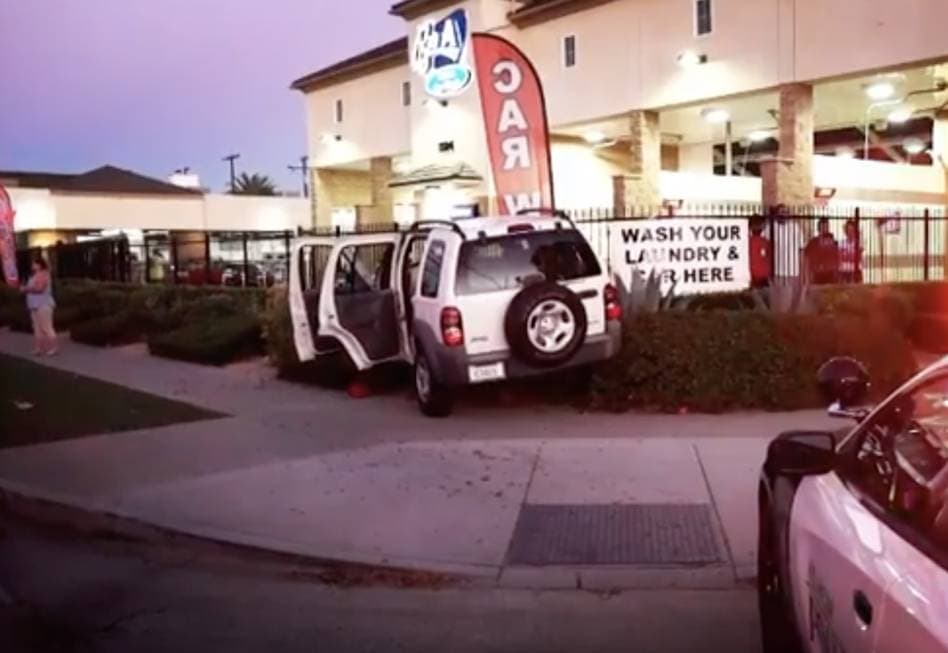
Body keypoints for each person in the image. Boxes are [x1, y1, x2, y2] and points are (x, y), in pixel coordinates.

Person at [21, 257, 57, 355]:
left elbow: (40, 289)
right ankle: (38, 349)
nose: (32, 266)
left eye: (34, 264)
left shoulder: (44, 274)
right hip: (34, 306)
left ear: (39, 265)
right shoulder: (34, 275)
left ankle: (53, 348)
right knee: (37, 328)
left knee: (46, 327)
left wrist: (26, 289)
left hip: (43, 305)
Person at [804, 218, 840, 284]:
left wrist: (836, 272)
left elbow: (837, 258)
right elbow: (807, 259)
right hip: (817, 274)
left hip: (830, 274)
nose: (825, 229)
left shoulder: (834, 242)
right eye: (823, 226)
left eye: (826, 226)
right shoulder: (813, 242)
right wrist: (808, 276)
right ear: (819, 228)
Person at [748, 216, 772, 288]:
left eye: (759, 225)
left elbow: (769, 259)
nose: (757, 227)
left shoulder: (765, 242)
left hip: (763, 278)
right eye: (756, 225)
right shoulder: (747, 242)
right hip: (754, 278)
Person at [838, 219, 863, 284]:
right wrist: (851, 255)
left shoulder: (859, 243)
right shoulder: (841, 243)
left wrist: (846, 255)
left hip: (856, 271)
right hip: (844, 271)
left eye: (852, 230)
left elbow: (858, 258)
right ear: (846, 231)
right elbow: (840, 258)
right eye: (848, 230)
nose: (850, 232)